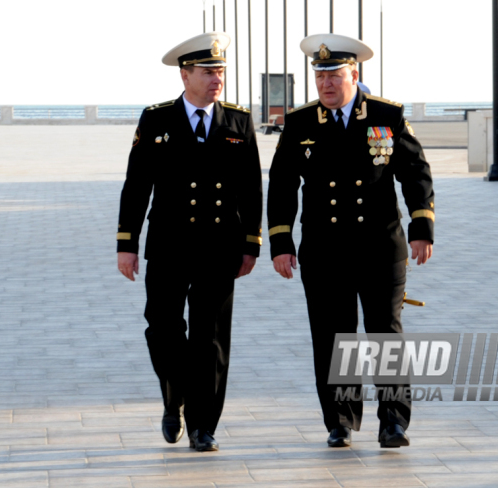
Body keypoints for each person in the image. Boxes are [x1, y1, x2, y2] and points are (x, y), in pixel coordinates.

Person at [267, 33, 434, 448]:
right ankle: (340, 421)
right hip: (325, 252)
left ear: (353, 75)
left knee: (385, 336)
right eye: (319, 76)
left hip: (380, 246)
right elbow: (282, 185)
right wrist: (281, 241)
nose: (325, 84)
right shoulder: (301, 122)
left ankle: (394, 422)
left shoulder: (386, 115)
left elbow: (415, 172)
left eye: (334, 75)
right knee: (333, 338)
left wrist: (421, 227)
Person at [116, 32, 262, 452]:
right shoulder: (156, 119)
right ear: (185, 75)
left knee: (210, 337)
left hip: (220, 247)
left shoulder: (238, 121)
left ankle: (203, 426)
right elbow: (136, 185)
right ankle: (174, 395)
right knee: (162, 329)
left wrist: (251, 243)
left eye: (220, 71)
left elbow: (251, 188)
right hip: (168, 245)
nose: (217, 78)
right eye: (208, 71)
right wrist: (127, 243)